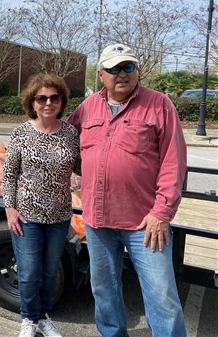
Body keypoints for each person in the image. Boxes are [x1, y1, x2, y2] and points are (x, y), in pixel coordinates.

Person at [68, 43, 187, 337]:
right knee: (104, 291)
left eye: (128, 67)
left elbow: (174, 162)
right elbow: (66, 145)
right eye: (114, 68)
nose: (122, 73)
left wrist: (162, 212)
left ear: (138, 70)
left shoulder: (159, 105)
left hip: (145, 223)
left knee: (162, 297)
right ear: (100, 74)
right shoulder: (87, 108)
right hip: (97, 221)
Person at [2, 73, 80, 337]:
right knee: (29, 272)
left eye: (54, 97)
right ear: (32, 102)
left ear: (62, 101)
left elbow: (82, 166)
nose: (49, 103)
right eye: (42, 98)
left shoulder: (70, 133)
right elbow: (9, 175)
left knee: (49, 272)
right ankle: (28, 320)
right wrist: (9, 208)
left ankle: (44, 318)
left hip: (59, 216)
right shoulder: (20, 134)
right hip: (27, 216)